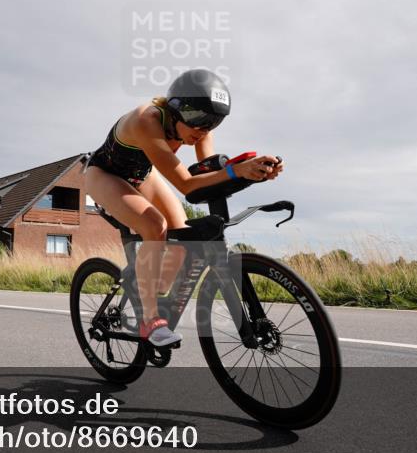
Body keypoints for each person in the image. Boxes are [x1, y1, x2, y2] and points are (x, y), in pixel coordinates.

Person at [84, 69, 283, 346]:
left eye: (214, 123)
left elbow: (206, 171)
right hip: (104, 174)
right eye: (200, 121)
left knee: (183, 234)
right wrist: (237, 171)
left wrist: (252, 171)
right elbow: (187, 184)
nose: (204, 130)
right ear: (178, 109)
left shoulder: (199, 129)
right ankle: (149, 321)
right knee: (155, 225)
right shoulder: (147, 120)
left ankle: (150, 290)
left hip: (141, 175)